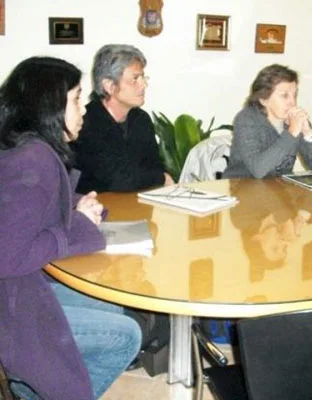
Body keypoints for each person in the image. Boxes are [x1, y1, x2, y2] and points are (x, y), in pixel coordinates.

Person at [0, 57, 141, 399]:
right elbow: (8, 257)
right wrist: (77, 225)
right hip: (11, 306)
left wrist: (75, 204)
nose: (82, 109)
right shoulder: (34, 158)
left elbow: (24, 206)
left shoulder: (23, 146)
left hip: (20, 289)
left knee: (111, 306)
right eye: (77, 99)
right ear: (50, 106)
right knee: (127, 335)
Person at [71, 44, 173, 193]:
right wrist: (161, 178)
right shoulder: (86, 123)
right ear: (109, 86)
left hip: (140, 204)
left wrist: (158, 177)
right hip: (98, 208)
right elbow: (115, 180)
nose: (144, 84)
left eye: (143, 77)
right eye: (135, 79)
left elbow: (154, 166)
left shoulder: (141, 119)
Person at [222, 64, 312, 179]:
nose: (292, 102)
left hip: (277, 190)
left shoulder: (294, 120)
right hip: (242, 189)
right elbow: (258, 170)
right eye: (285, 96)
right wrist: (291, 133)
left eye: (295, 95)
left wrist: (308, 133)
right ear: (264, 99)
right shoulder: (246, 120)